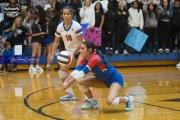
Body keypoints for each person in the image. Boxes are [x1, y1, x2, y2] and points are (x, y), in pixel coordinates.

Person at [60, 40, 134, 110]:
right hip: (103, 80)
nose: (80, 51)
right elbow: (76, 71)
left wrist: (68, 83)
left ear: (89, 50)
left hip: (115, 79)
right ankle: (93, 102)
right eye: (80, 48)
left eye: (82, 48)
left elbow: (82, 73)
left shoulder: (95, 58)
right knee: (81, 83)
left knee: (110, 102)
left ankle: (127, 99)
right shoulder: (85, 59)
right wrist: (65, 82)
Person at [50, 6, 83, 101]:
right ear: (62, 15)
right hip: (69, 53)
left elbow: (81, 41)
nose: (66, 16)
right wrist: (52, 55)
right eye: (64, 14)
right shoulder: (60, 27)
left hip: (80, 51)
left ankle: (88, 97)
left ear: (71, 15)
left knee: (79, 73)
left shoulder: (76, 25)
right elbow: (56, 42)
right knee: (61, 72)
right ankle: (69, 93)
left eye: (68, 14)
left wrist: (74, 53)